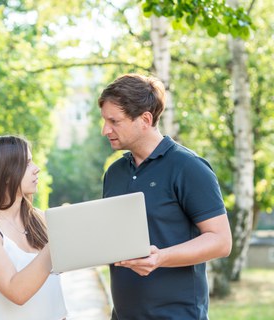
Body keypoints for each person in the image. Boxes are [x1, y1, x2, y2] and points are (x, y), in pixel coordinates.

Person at [98, 73, 232, 320]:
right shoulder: (114, 173)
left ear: (145, 119)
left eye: (114, 121)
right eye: (104, 120)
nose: (106, 130)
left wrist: (161, 258)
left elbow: (221, 241)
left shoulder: (188, 167)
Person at [0, 135, 67, 320]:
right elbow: (16, 291)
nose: (36, 169)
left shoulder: (41, 219)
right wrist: (56, 243)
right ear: (6, 173)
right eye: (27, 163)